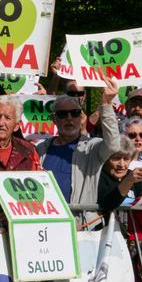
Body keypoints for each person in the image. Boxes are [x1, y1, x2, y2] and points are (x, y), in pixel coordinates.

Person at [36, 79, 120, 210]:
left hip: (80, 224)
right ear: (54, 119)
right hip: (47, 220)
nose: (69, 118)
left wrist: (106, 104)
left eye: (75, 113)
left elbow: (114, 145)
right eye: (63, 114)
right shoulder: (41, 149)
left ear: (81, 118)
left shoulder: (92, 148)